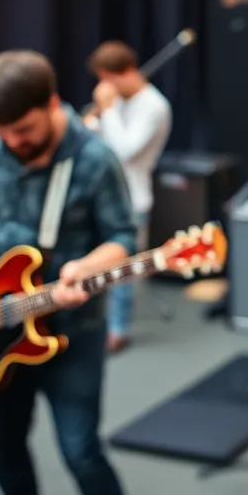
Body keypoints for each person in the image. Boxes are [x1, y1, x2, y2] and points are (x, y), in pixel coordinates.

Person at [0, 51, 138, 495]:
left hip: (69, 329)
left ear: (52, 104)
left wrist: (88, 265)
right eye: (3, 130)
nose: (12, 141)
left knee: (80, 450)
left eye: (24, 129)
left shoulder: (95, 159)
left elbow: (123, 237)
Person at [83, 41, 172, 352]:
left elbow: (124, 151)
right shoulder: (119, 100)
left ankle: (118, 330)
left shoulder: (154, 106)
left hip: (132, 199)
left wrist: (106, 110)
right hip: (100, 196)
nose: (102, 87)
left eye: (106, 78)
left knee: (121, 272)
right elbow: (99, 142)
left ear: (127, 73)